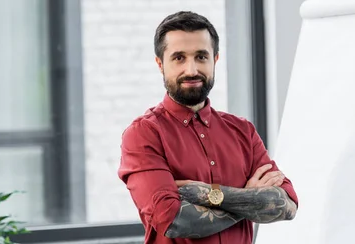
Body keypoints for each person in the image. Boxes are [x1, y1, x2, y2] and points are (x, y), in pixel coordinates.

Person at [118, 11, 298, 244]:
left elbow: (288, 205)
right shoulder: (143, 135)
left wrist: (207, 193)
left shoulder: (243, 131)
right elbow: (171, 219)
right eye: (179, 58)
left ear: (215, 59)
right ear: (160, 64)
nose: (191, 70)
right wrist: (249, 198)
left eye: (201, 57)